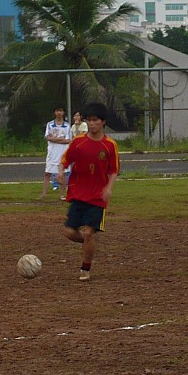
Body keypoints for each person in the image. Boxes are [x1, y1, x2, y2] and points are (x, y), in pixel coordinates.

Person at [60, 102, 119, 281]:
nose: (92, 124)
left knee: (88, 231)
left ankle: (85, 269)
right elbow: (65, 160)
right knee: (69, 232)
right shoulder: (78, 142)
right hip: (78, 194)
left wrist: (108, 188)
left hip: (97, 198)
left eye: (95, 120)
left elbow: (114, 170)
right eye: (89, 120)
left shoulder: (110, 145)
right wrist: (61, 172)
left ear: (103, 122)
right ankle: (89, 241)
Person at [40, 107, 71, 201]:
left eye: (61, 111)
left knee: (63, 174)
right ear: (54, 112)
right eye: (57, 111)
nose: (59, 113)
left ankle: (62, 195)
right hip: (52, 153)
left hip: (62, 153)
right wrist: (59, 139)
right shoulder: (50, 124)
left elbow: (67, 140)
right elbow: (48, 138)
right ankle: (43, 195)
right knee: (47, 173)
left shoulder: (67, 126)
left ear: (63, 112)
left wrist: (54, 139)